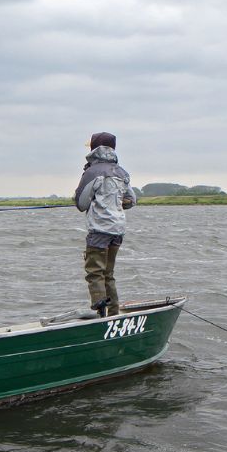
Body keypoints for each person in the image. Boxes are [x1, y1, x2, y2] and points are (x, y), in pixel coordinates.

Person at [74, 132, 134, 317]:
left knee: (94, 273)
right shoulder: (121, 172)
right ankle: (113, 313)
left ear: (95, 149)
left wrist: (96, 200)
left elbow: (81, 204)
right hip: (118, 230)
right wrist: (114, 201)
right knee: (108, 274)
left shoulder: (92, 172)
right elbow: (131, 200)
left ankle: (101, 315)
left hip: (99, 229)